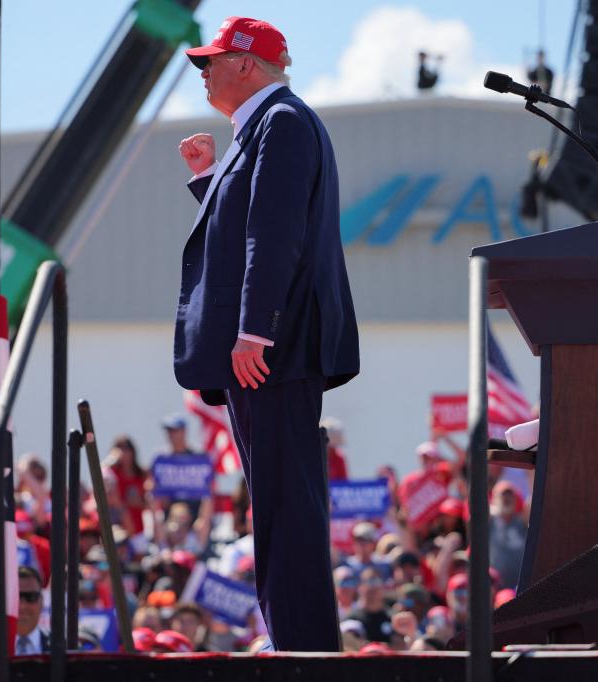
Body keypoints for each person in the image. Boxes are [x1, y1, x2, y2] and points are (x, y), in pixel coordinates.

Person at [175, 15, 359, 652]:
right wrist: (208, 183)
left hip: (272, 351)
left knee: (285, 507)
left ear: (246, 64)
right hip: (273, 349)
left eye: (212, 62)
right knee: (279, 504)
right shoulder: (266, 125)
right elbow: (250, 226)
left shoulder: (279, 121)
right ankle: (299, 643)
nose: (203, 73)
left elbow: (273, 237)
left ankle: (303, 650)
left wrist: (256, 331)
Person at [15, 565, 51, 656]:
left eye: (31, 597)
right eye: (15, 597)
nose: (22, 606)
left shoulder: (62, 647)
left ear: (42, 601)